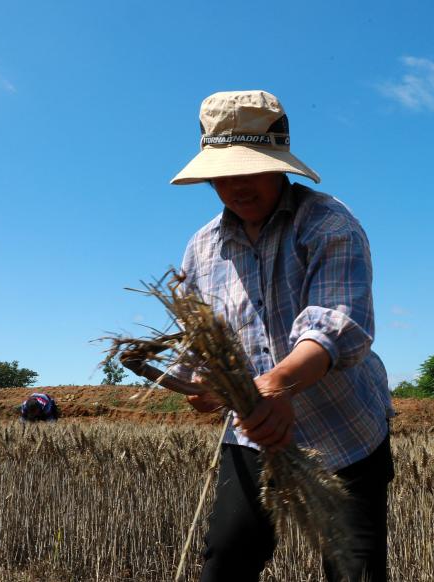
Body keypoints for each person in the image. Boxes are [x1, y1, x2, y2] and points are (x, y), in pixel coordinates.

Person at [171, 90, 396, 582]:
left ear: (279, 166)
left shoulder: (327, 223)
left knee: (353, 570)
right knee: (225, 563)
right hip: (255, 432)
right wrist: (201, 388)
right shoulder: (203, 248)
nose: (235, 186)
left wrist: (279, 383)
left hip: (344, 430)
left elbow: (339, 324)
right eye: (222, 174)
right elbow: (199, 341)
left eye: (249, 169)